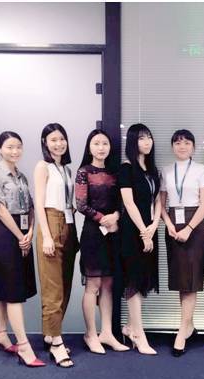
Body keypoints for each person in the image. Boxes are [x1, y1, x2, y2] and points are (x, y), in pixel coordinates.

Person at [0, 131, 45, 367]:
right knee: (12, 289)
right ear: (0, 149)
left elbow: (30, 206)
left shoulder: (22, 176)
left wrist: (30, 231)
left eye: (18, 146)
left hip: (22, 231)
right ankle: (23, 346)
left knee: (8, 285)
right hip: (4, 232)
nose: (15, 151)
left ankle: (0, 332)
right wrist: (21, 236)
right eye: (9, 147)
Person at [76, 128, 129, 354]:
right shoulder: (84, 171)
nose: (101, 147)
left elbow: (122, 203)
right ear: (89, 147)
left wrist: (115, 216)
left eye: (105, 143)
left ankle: (106, 333)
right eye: (96, 143)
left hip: (113, 232)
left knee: (109, 283)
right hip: (92, 233)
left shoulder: (115, 172)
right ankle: (90, 334)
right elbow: (80, 205)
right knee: (93, 285)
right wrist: (102, 219)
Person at [160, 129, 204, 357]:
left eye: (187, 143)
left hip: (194, 226)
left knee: (191, 279)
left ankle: (182, 331)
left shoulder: (200, 169)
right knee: (181, 280)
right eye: (178, 143)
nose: (182, 146)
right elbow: (161, 203)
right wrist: (169, 224)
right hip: (173, 225)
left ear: (193, 147)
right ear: (172, 146)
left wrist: (189, 228)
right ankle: (188, 324)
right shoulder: (166, 171)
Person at [34, 123, 79, 368]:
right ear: (45, 142)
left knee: (65, 284)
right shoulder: (43, 166)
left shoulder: (66, 169)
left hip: (68, 224)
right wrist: (47, 236)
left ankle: (51, 334)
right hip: (50, 222)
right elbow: (39, 204)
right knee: (53, 288)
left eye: (62, 139)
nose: (59, 143)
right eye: (53, 139)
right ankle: (56, 344)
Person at [118, 123, 161, 355]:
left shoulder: (152, 169)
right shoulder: (126, 168)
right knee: (133, 280)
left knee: (143, 279)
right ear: (133, 141)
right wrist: (144, 231)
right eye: (141, 138)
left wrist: (153, 226)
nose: (147, 142)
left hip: (150, 229)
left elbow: (158, 201)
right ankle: (138, 334)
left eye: (149, 137)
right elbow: (129, 202)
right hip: (132, 231)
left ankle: (130, 327)